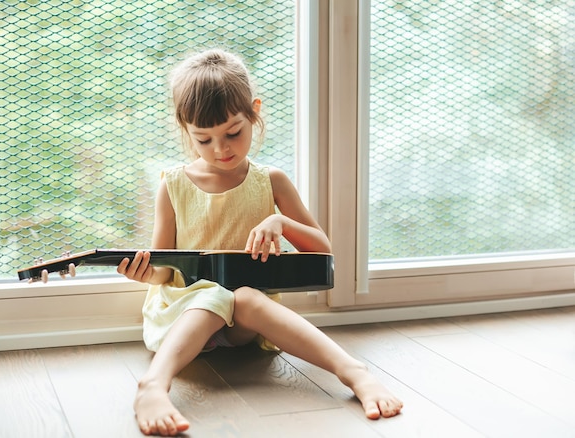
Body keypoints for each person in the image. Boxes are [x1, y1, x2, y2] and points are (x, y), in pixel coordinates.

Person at [117, 48, 403, 437]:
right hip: (183, 315)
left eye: (233, 133)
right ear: (186, 131)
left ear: (254, 111)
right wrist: (144, 274)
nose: (221, 149)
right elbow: (166, 270)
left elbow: (322, 251)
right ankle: (153, 385)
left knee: (244, 295)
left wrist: (281, 222)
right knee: (215, 294)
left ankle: (354, 372)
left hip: (243, 324)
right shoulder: (174, 184)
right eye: (204, 139)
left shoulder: (271, 181)